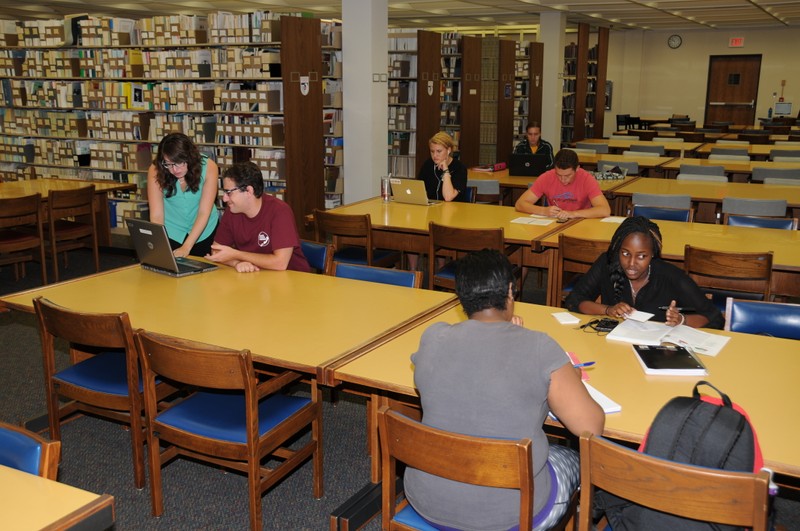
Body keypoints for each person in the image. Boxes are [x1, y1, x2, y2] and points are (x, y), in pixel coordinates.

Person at [405, 249, 605, 531]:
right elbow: (592, 427)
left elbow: (430, 381)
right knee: (573, 458)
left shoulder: (434, 337)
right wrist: (569, 377)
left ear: (460, 298)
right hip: (511, 516)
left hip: (428, 501)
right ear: (510, 292)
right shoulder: (539, 347)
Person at [565, 216, 725, 329]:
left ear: (653, 254)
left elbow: (714, 317)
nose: (631, 263)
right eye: (625, 253)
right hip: (615, 347)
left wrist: (682, 320)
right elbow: (574, 299)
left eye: (641, 256)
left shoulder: (671, 276)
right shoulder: (607, 264)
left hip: (657, 352)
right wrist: (608, 310)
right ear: (617, 250)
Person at [205, 161, 310, 273]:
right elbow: (216, 252)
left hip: (292, 279)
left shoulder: (279, 211)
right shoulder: (232, 211)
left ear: (249, 191)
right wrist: (237, 263)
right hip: (258, 278)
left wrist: (236, 254)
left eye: (229, 192)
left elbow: (280, 263)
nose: (224, 199)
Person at [147, 133, 220, 257]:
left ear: (190, 157)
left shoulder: (209, 167)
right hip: (172, 231)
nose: (175, 169)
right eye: (169, 164)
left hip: (204, 231)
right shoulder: (156, 170)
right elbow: (157, 215)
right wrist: (160, 245)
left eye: (180, 162)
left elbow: (204, 212)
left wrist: (186, 247)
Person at [515, 148, 611, 220]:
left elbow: (605, 210)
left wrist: (573, 214)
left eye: (568, 175)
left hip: (580, 221)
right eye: (559, 175)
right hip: (553, 222)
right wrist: (543, 211)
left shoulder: (587, 179)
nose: (562, 179)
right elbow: (520, 204)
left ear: (577, 169)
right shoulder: (547, 177)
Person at [417, 131, 468, 203]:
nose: (435, 155)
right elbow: (418, 189)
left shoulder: (459, 168)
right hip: (431, 210)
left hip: (454, 211)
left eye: (439, 151)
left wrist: (445, 170)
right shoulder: (428, 165)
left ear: (448, 150)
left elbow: (448, 197)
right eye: (432, 151)